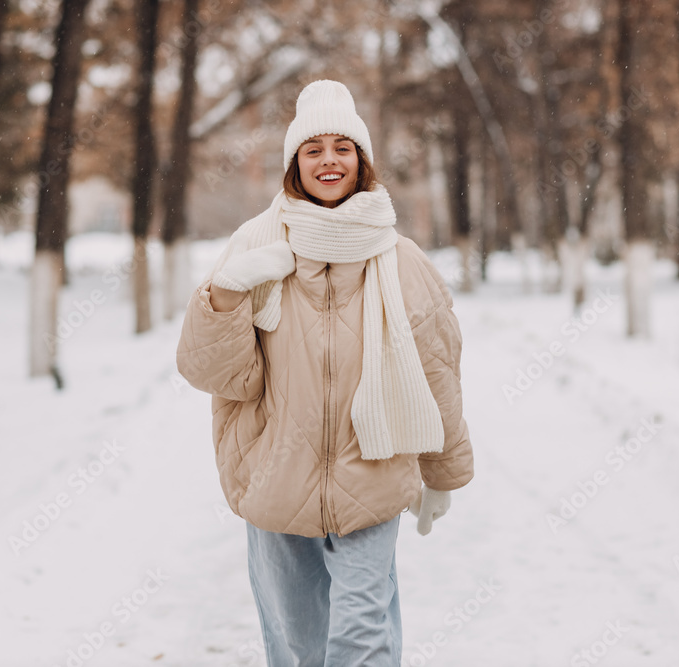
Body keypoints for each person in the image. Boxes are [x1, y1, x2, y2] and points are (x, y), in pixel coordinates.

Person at [176, 79, 474, 666]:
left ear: (361, 161)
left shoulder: (399, 257)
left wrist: (442, 473)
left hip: (374, 472)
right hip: (276, 477)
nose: (329, 160)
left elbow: (438, 369)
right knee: (299, 645)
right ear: (295, 166)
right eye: (313, 150)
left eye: (343, 147)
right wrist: (228, 294)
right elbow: (216, 373)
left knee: (362, 640)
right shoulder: (254, 246)